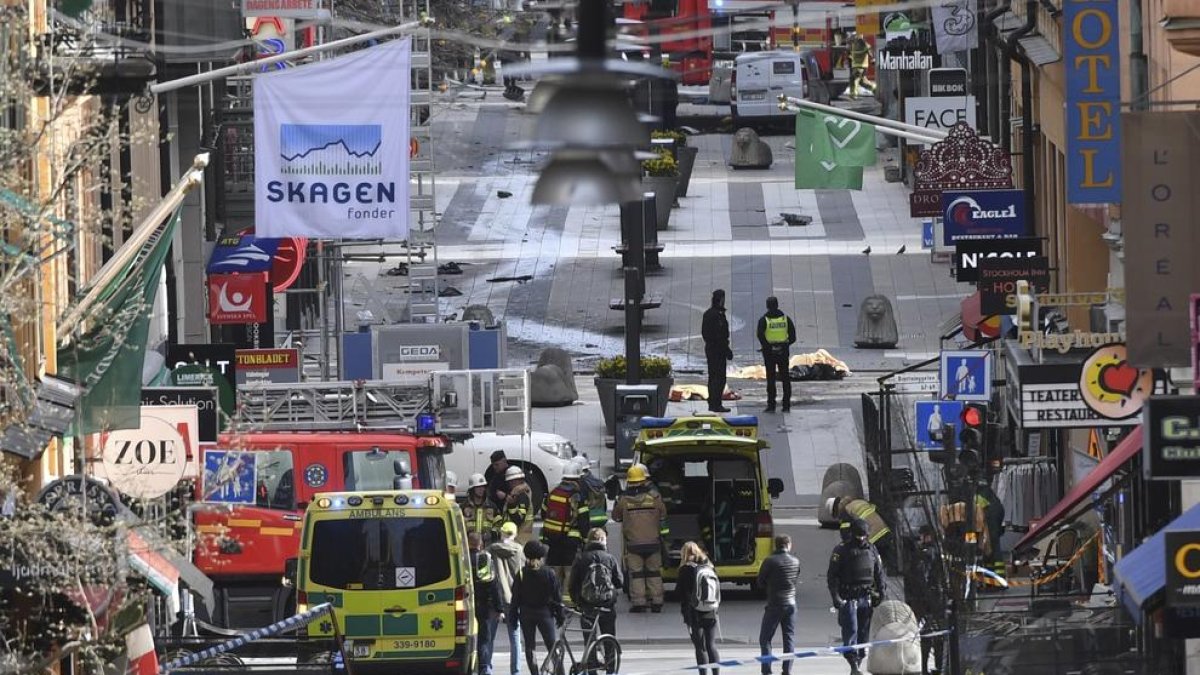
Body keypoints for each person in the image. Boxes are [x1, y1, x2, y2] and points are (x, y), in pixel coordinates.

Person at [827, 517, 884, 675]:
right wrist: (835, 597)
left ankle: (859, 660)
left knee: (863, 633)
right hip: (849, 598)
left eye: (863, 535)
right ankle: (853, 665)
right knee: (851, 630)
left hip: (865, 597)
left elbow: (879, 573)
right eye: (858, 535)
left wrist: (882, 592)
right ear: (852, 533)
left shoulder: (871, 549)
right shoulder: (841, 550)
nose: (861, 538)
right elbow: (832, 576)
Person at [612, 463, 669, 613]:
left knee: (636, 574)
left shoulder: (624, 500)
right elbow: (663, 514)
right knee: (654, 572)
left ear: (629, 481)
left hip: (633, 544)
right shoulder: (655, 497)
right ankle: (657, 602)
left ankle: (639, 603)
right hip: (653, 542)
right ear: (644, 480)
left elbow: (616, 517)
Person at [509, 540, 564, 675]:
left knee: (530, 646)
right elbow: (557, 596)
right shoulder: (549, 573)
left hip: (526, 613)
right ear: (541, 556)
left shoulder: (521, 574)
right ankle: (560, 672)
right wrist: (560, 614)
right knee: (552, 645)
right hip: (545, 613)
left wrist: (513, 617)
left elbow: (515, 598)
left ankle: (534, 672)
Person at [569, 528, 623, 656]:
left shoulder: (581, 558)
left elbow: (572, 584)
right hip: (607, 604)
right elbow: (620, 581)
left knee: (589, 640)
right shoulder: (609, 558)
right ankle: (610, 666)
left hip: (587, 604)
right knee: (609, 636)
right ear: (602, 540)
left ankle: (591, 666)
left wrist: (577, 601)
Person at [541, 462, 590, 596]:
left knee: (555, 569)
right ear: (577, 478)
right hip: (571, 538)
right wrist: (586, 539)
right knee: (569, 570)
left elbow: (543, 513)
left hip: (553, 537)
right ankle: (568, 600)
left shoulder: (553, 492)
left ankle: (554, 598)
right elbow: (583, 520)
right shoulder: (577, 495)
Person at [757, 534, 801, 675]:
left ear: (776, 545)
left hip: (775, 604)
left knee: (765, 639)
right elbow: (795, 578)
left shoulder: (769, 561)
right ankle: (787, 670)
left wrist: (770, 585)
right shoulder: (795, 561)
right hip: (791, 604)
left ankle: (767, 671)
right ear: (789, 545)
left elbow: (760, 582)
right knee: (788, 638)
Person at [905, 526, 946, 675]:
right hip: (939, 598)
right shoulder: (941, 552)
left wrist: (916, 599)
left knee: (926, 636)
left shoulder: (924, 554)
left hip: (926, 600)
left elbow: (920, 577)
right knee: (938, 635)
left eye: (922, 536)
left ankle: (924, 668)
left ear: (928, 536)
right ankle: (939, 667)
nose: (920, 539)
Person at [677, 542, 721, 675]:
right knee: (711, 645)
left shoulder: (685, 569)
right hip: (711, 610)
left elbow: (679, 592)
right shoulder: (709, 566)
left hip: (694, 613)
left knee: (700, 647)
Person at [489, 522, 526, 675]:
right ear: (515, 534)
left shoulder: (491, 550)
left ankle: (486, 669)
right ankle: (515, 671)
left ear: (501, 533)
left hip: (494, 597)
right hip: (513, 598)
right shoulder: (519, 551)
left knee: (489, 637)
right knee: (515, 638)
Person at [471, 532, 505, 675]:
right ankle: (484, 668)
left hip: (466, 604)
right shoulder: (484, 558)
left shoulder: (461, 558)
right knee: (484, 639)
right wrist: (499, 608)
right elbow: (493, 585)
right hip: (484, 605)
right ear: (481, 544)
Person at [756, 297, 797, 413]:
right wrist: (784, 345)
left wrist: (768, 346)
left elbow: (760, 335)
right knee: (785, 378)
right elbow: (793, 337)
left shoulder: (764, 320)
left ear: (767, 306)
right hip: (783, 352)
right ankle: (786, 405)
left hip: (769, 353)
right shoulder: (785, 319)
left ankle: (771, 404)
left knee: (771, 378)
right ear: (777, 305)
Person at [701, 289, 733, 413]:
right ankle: (716, 403)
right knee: (719, 378)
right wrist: (726, 349)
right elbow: (720, 335)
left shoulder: (709, 313)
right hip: (717, 350)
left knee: (713, 376)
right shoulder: (716, 315)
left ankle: (713, 401)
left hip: (711, 349)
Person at [464, 473, 502, 545]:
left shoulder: (492, 506)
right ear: (472, 489)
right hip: (469, 546)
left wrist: (491, 534)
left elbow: (499, 524)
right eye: (478, 487)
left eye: (483, 487)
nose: (481, 490)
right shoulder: (464, 506)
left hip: (488, 545)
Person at [502, 466, 535, 544]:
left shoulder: (522, 496)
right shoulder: (516, 494)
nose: (510, 484)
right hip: (514, 538)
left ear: (519, 480)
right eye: (509, 481)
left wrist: (511, 505)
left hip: (519, 539)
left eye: (512, 481)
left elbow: (518, 519)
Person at [577, 461, 610, 535]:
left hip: (588, 519)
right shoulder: (599, 482)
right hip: (602, 518)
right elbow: (605, 506)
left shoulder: (581, 484)